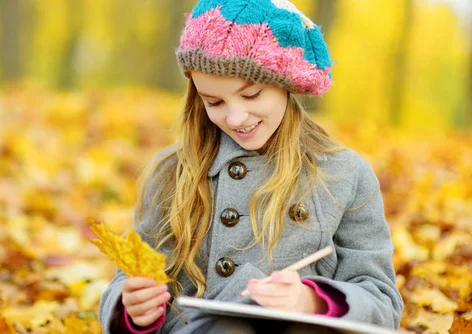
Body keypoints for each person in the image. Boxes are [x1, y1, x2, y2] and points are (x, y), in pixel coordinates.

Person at [99, 0, 404, 333]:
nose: (235, 118)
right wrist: (135, 310)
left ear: (285, 83)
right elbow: (130, 281)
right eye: (213, 102)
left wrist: (310, 301)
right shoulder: (173, 172)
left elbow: (382, 301)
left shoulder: (345, 175)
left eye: (252, 94)